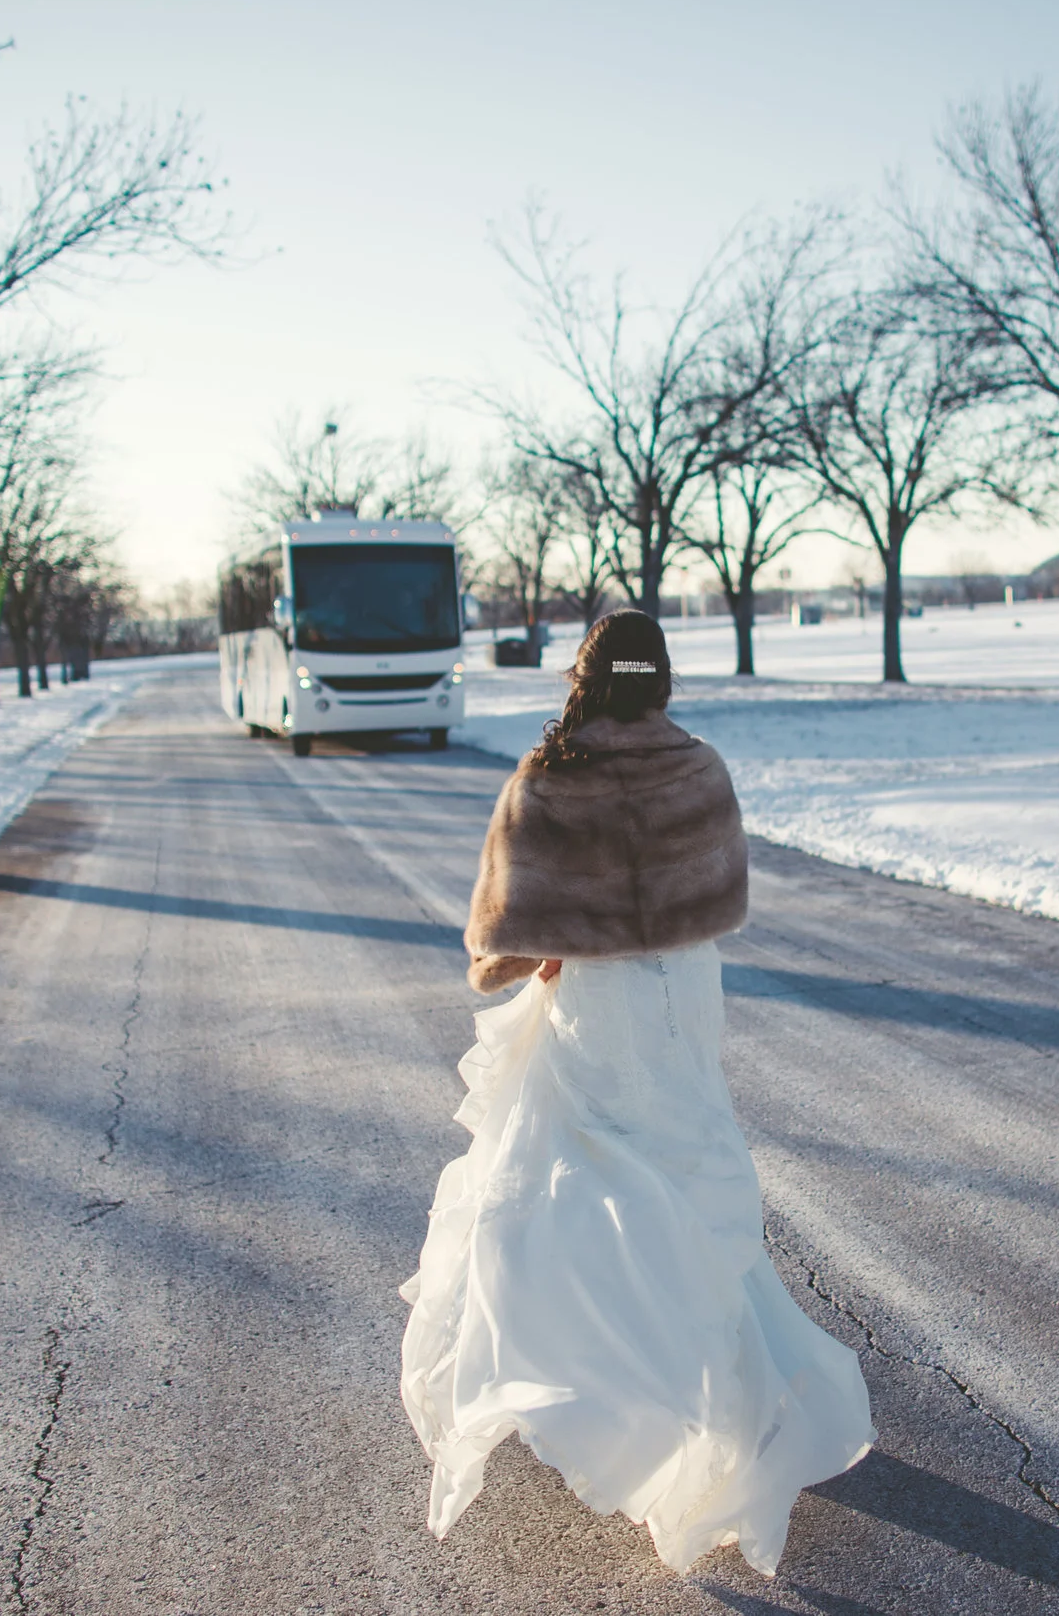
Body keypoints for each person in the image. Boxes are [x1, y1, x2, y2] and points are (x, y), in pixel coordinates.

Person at [397, 609, 873, 1577]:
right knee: (685, 1177)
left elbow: (500, 944)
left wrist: (544, 949)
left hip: (598, 1002)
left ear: (583, 674)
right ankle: (720, 1392)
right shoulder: (698, 767)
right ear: (660, 678)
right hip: (684, 996)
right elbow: (722, 892)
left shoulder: (549, 771)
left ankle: (598, 1382)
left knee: (579, 1183)